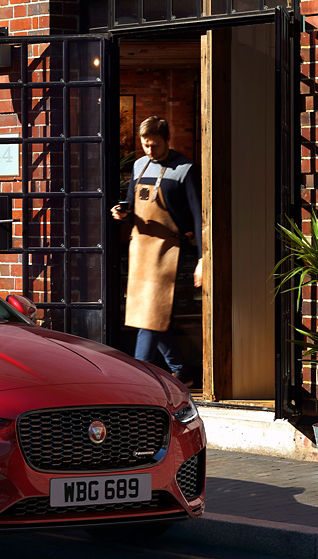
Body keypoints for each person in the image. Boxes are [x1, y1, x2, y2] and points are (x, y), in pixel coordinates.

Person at [110, 116, 203, 386]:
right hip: (140, 249)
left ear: (166, 140)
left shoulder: (185, 169)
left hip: (168, 251)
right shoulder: (139, 165)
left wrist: (202, 258)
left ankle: (138, 376)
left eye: (155, 145)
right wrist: (121, 213)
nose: (150, 151)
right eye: (145, 145)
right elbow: (130, 204)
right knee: (147, 314)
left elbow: (197, 217)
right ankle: (180, 370)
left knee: (149, 314)